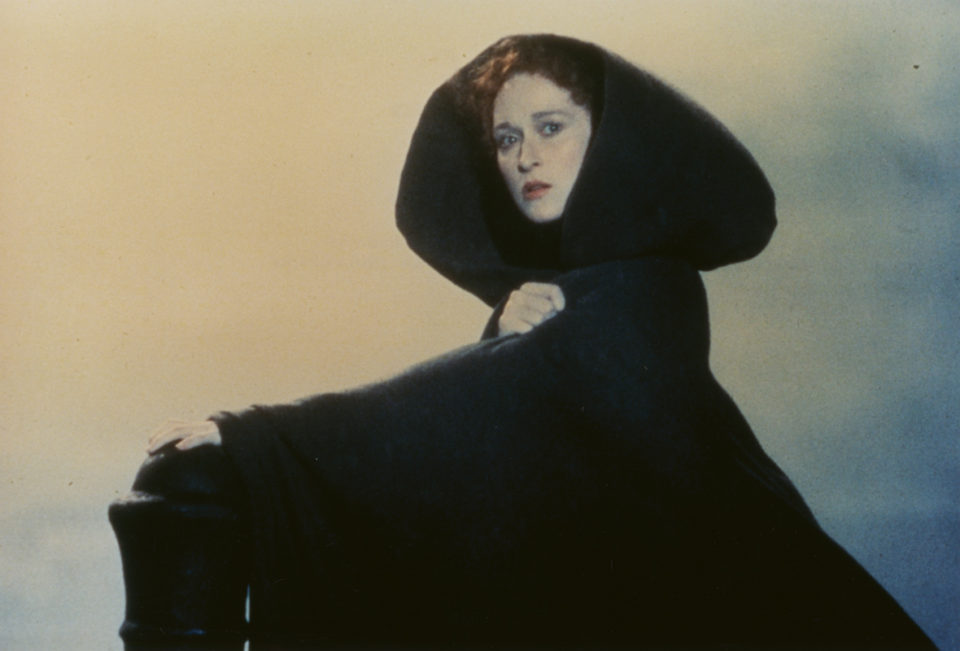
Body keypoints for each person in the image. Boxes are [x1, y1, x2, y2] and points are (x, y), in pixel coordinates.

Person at [112, 34, 934, 649]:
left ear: (610, 141)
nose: (524, 157)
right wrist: (504, 342)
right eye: (506, 139)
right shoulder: (564, 302)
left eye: (550, 127)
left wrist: (256, 439)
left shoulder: (650, 291)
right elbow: (499, 440)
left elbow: (453, 412)